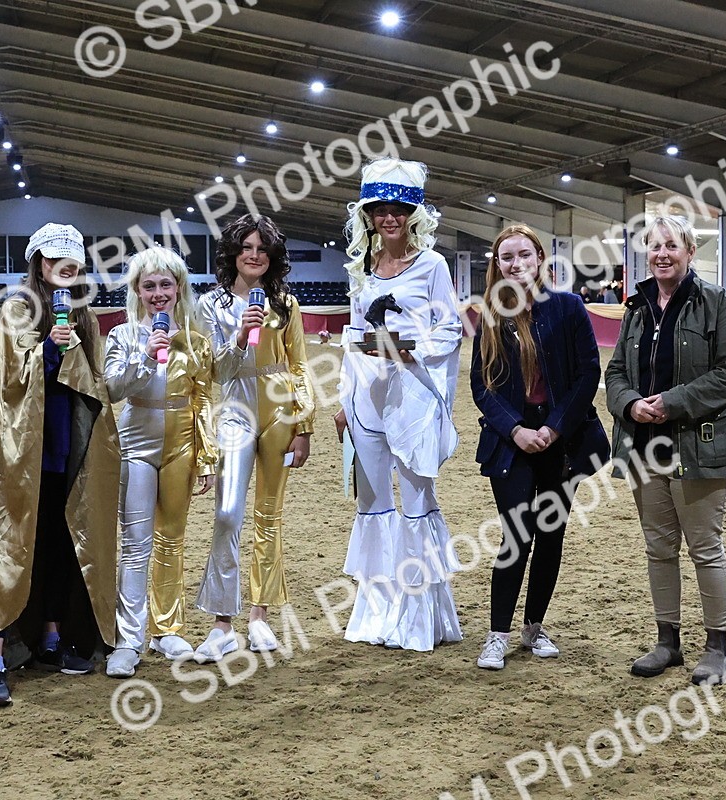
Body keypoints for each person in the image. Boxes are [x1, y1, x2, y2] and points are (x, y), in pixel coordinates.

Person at [0, 222, 120, 708]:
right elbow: (10, 383)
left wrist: (72, 348)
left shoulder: (86, 318)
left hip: (65, 449)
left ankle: (52, 635)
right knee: (10, 541)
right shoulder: (16, 310)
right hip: (20, 453)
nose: (68, 268)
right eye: (58, 260)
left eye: (73, 261)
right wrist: (50, 348)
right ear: (40, 262)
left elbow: (95, 384)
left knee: (58, 542)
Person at [604, 215, 726, 686]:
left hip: (699, 446)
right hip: (644, 445)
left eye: (672, 245)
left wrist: (672, 402)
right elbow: (615, 374)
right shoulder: (637, 307)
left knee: (705, 548)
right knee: (658, 548)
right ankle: (667, 641)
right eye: (654, 246)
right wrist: (629, 405)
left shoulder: (718, 304)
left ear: (689, 251)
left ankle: (717, 647)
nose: (662, 254)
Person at [333, 158, 463, 652]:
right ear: (368, 214)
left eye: (398, 209)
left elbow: (450, 328)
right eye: (379, 209)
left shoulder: (432, 265)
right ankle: (377, 613)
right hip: (365, 394)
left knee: (414, 506)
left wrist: (412, 348)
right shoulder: (359, 268)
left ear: (412, 213)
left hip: (411, 396)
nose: (389, 218)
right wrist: (344, 398)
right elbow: (352, 336)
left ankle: (417, 615)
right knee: (372, 506)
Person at [470, 224, 608, 670]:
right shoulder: (490, 316)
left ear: (539, 260)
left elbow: (589, 373)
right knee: (517, 534)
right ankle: (497, 635)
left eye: (524, 255)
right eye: (506, 257)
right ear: (498, 265)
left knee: (551, 535)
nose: (516, 263)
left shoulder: (568, 308)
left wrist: (554, 427)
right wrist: (515, 430)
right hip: (511, 444)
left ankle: (533, 627)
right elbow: (481, 385)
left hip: (560, 441)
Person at [193, 214, 315, 663]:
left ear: (272, 257)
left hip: (280, 406)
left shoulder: (287, 304)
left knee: (270, 515)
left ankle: (260, 616)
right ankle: (222, 622)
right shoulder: (211, 306)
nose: (254, 255)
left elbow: (299, 366)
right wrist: (242, 334)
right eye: (246, 247)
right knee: (227, 513)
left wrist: (303, 425)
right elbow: (215, 371)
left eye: (262, 249)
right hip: (235, 407)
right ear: (232, 253)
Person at [103, 247, 218, 677]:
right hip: (135, 445)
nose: (157, 293)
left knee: (172, 539)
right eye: (148, 286)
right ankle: (128, 639)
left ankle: (167, 628)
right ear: (136, 290)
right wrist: (147, 355)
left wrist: (207, 456)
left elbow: (204, 399)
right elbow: (113, 390)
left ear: (178, 288)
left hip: (182, 447)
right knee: (135, 546)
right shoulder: (122, 335)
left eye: (165, 284)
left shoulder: (196, 338)